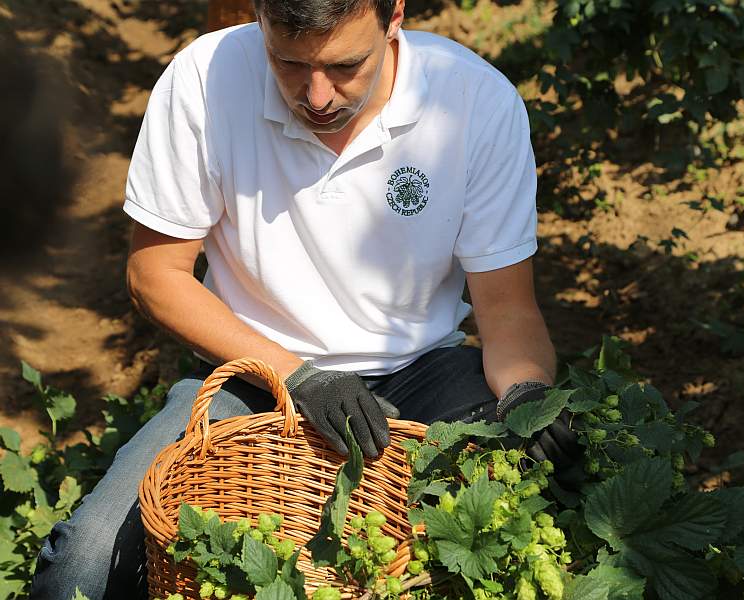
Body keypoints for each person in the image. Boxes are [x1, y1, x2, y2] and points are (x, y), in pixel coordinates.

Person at [31, 0, 580, 598]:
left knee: (521, 533)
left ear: (394, 14)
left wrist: (528, 391)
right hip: (253, 376)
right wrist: (295, 376)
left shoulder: (472, 102)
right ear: (260, 16)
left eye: (345, 65)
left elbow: (507, 310)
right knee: (82, 566)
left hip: (424, 374)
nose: (317, 95)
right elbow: (155, 275)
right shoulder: (204, 80)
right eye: (288, 63)